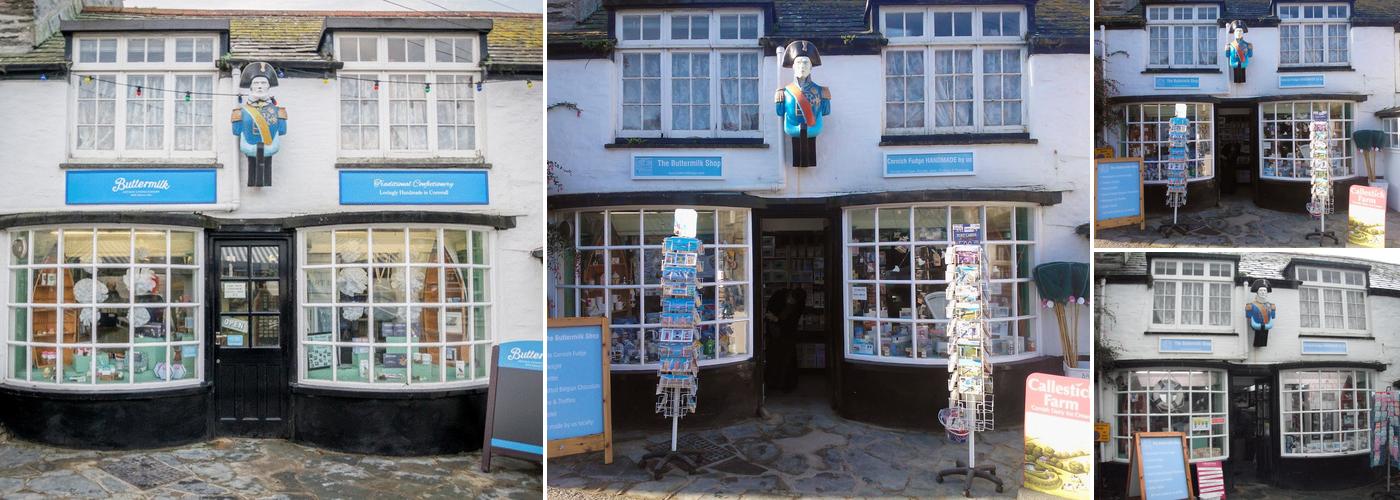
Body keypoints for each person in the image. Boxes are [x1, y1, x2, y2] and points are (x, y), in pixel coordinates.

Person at [765, 287, 806, 392]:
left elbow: (792, 322)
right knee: (774, 358)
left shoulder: (798, 304)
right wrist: (773, 319)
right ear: (789, 294)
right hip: (774, 332)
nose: (791, 301)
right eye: (790, 299)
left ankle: (787, 384)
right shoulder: (779, 295)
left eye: (793, 301)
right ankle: (773, 383)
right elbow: (769, 310)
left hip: (787, 334)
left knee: (788, 359)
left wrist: (777, 319)